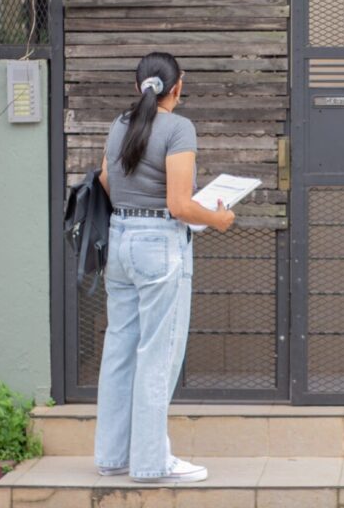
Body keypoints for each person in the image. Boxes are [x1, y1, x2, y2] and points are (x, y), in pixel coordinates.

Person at [92, 52, 235, 483]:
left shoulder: (120, 124)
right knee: (158, 354)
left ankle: (113, 457)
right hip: (159, 246)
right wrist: (218, 218)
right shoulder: (178, 128)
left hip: (119, 241)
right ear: (179, 85)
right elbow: (178, 205)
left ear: (140, 86)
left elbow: (104, 181)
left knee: (119, 350)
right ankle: (152, 462)